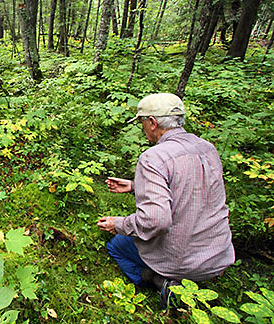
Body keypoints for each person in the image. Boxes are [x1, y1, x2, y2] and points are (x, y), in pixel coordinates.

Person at [97, 93, 234, 309]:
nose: (142, 127)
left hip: (183, 260)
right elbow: (189, 189)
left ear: (152, 122)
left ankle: (160, 281)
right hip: (219, 255)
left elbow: (156, 221)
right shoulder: (207, 148)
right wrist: (135, 186)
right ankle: (198, 276)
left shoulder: (154, 158)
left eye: (142, 122)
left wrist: (119, 224)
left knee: (117, 246)